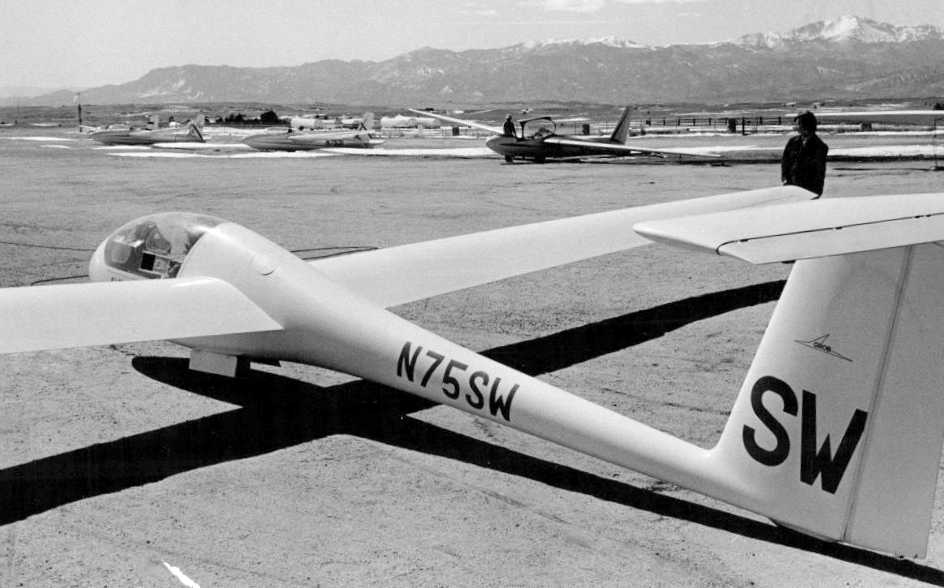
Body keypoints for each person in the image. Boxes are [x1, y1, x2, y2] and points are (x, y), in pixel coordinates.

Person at [781, 111, 828, 196]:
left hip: (808, 191)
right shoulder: (792, 142)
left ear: (806, 125)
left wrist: (815, 193)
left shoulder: (819, 146)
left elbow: (819, 174)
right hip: (791, 189)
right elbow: (785, 164)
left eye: (798, 124)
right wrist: (785, 180)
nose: (796, 127)